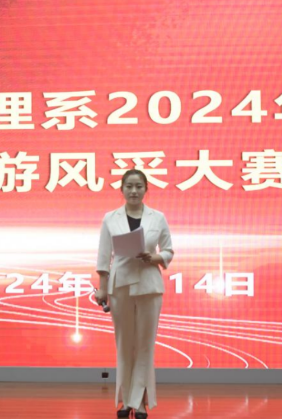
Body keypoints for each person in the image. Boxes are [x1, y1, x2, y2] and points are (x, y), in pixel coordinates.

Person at [95, 169, 174, 419]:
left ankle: (139, 402)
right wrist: (102, 287)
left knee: (145, 345)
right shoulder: (110, 218)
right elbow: (103, 256)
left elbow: (169, 251)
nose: (133, 191)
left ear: (146, 189)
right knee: (124, 344)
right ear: (121, 189)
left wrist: (154, 257)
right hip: (120, 286)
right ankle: (125, 401)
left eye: (139, 186)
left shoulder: (157, 218)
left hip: (149, 286)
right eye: (129, 186)